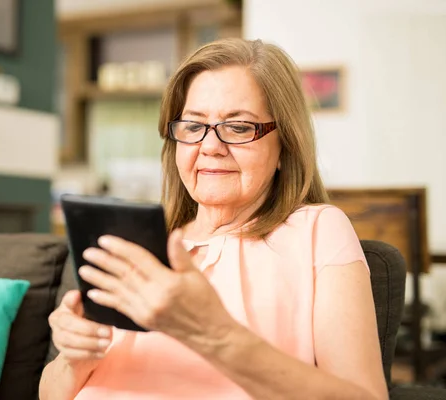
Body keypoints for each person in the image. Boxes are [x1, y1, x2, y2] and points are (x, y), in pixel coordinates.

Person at [40, 38, 388, 400]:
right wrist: (75, 358)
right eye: (192, 126)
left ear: (285, 144)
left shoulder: (317, 230)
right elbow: (50, 393)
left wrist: (212, 333)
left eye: (238, 127)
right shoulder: (138, 244)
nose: (210, 146)